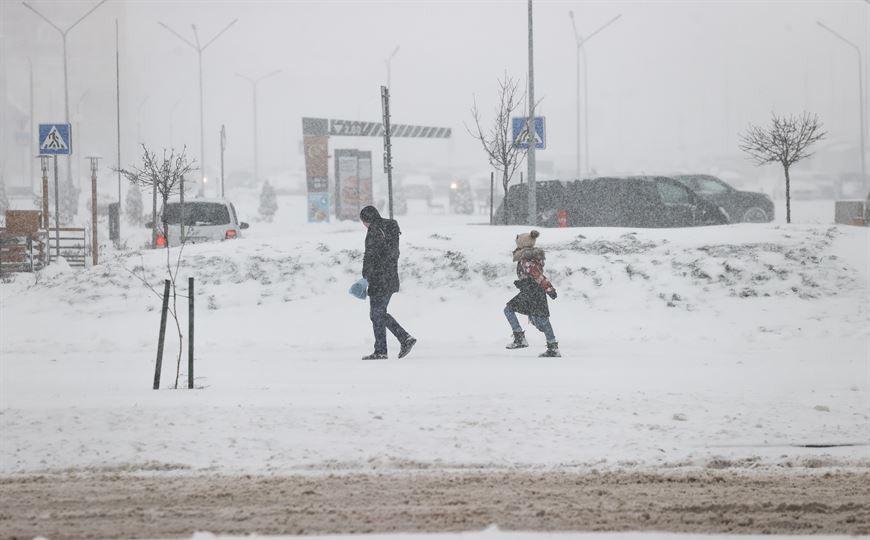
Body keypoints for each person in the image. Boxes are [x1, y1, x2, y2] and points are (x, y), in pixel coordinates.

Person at [359, 205, 416, 360]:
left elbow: (370, 256)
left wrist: (365, 277)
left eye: (363, 221)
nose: (364, 225)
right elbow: (390, 254)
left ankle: (402, 339)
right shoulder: (390, 228)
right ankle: (383, 349)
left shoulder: (374, 230)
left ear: (367, 219)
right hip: (390, 278)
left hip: (379, 280)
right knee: (377, 314)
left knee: (377, 314)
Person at [504, 229, 561, 357]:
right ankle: (552, 347)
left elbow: (537, 276)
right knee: (541, 321)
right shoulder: (530, 258)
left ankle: (520, 339)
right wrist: (523, 283)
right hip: (533, 291)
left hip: (532, 292)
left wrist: (549, 289)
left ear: (522, 244)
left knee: (510, 310)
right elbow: (534, 276)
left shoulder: (527, 260)